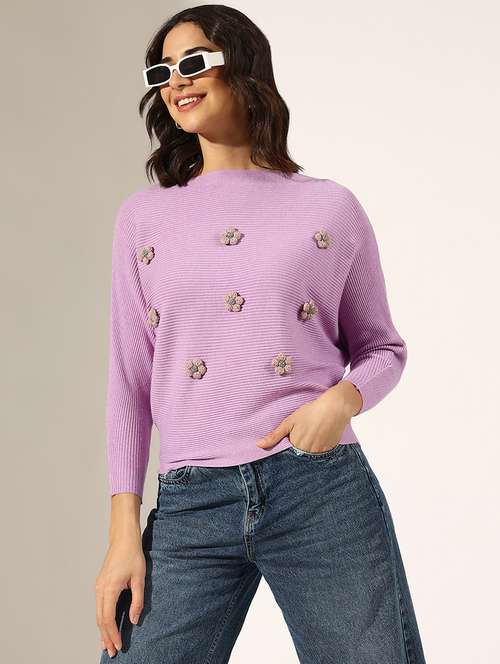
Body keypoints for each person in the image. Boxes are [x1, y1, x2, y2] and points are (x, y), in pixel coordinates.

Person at [95, 5, 427, 663]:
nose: (176, 82)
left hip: (318, 489)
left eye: (194, 63)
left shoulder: (329, 208)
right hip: (191, 501)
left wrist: (340, 403)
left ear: (243, 67)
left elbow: (383, 349)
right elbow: (129, 381)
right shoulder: (144, 219)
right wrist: (123, 534)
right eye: (162, 71)